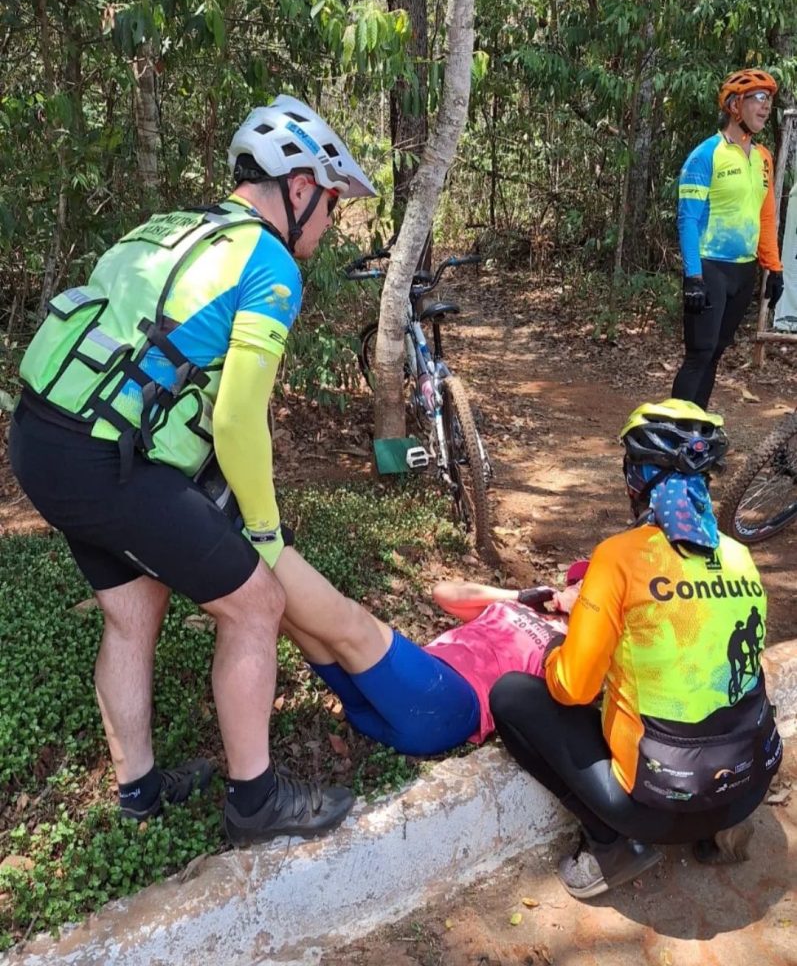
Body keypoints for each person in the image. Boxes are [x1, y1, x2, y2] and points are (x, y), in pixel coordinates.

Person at [9, 95, 377, 846]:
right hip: (103, 459)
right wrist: (264, 530)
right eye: (333, 203)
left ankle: (139, 792)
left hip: (41, 436)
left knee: (132, 610)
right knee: (256, 604)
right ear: (299, 188)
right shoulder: (269, 263)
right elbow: (238, 420)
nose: (331, 223)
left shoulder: (172, 227)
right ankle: (256, 803)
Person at [489, 400, 783, 900]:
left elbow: (572, 689)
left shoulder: (618, 557)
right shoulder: (740, 556)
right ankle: (721, 827)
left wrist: (559, 646)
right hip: (746, 788)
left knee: (512, 696)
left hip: (655, 810)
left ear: (636, 480)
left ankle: (611, 845)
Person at [276, 559, 588, 755]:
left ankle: (264, 542)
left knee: (356, 623)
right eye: (577, 582)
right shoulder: (518, 606)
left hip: (450, 708)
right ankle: (257, 566)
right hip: (396, 698)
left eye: (588, 587)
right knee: (295, 620)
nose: (577, 587)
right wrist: (518, 596)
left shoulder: (575, 646)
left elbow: (578, 689)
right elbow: (444, 593)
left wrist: (584, 627)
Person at [672, 68, 784, 409]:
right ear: (735, 105)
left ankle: (696, 428)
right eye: (759, 98)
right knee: (700, 353)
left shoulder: (763, 158)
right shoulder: (706, 155)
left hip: (743, 271)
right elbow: (688, 219)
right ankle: (675, 430)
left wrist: (774, 268)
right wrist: (693, 277)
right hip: (710, 268)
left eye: (769, 100)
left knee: (717, 351)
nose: (766, 107)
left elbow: (765, 216)